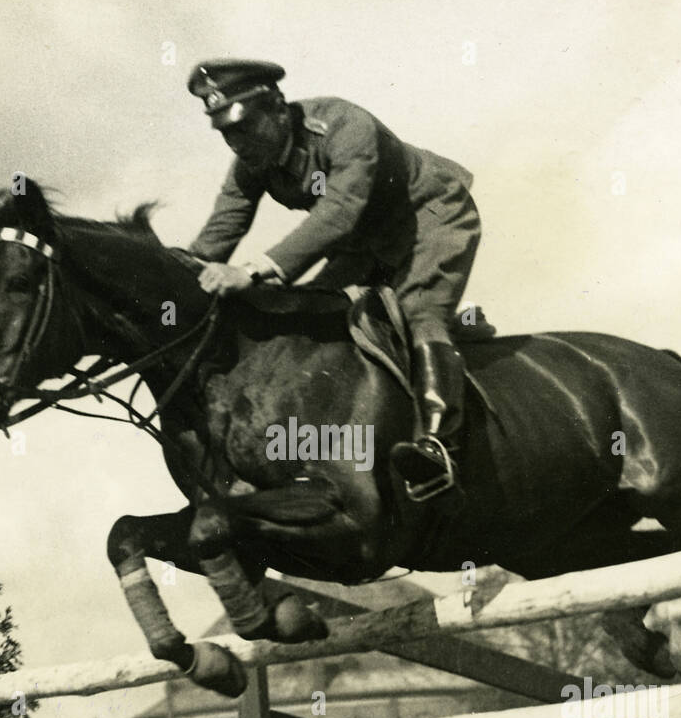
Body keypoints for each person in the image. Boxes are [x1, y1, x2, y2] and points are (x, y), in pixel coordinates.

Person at [186, 59, 483, 503]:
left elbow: (340, 211)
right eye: (227, 133)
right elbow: (223, 227)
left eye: (245, 127)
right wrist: (180, 279)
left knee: (420, 309)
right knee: (312, 310)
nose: (237, 143)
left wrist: (251, 271)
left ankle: (439, 447)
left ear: (278, 109)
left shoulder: (344, 124)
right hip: (364, 243)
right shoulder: (251, 162)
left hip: (430, 218)